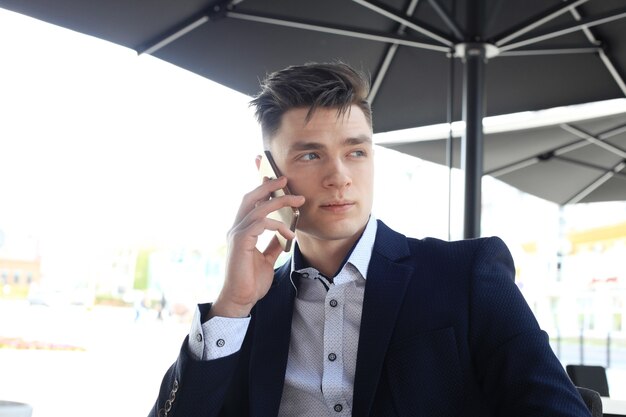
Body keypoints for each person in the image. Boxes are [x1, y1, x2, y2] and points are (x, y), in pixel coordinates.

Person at [149, 62, 591, 417]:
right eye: (310, 154)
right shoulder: (248, 310)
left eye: (355, 152)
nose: (339, 177)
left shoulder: (466, 274)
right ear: (268, 173)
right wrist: (231, 306)